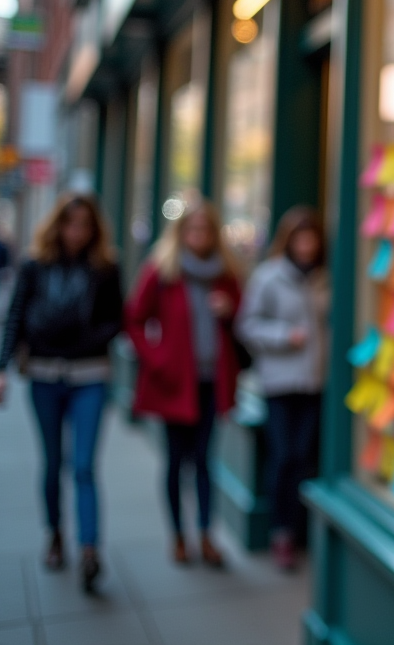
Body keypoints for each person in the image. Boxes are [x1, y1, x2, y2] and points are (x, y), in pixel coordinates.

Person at [0, 195, 123, 593]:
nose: (76, 232)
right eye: (70, 223)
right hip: (45, 376)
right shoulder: (34, 266)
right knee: (52, 462)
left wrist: (87, 339)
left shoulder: (106, 268)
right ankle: (54, 534)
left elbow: (118, 318)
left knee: (83, 466)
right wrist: (0, 370)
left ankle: (89, 551)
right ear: (58, 225)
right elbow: (14, 316)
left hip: (90, 375)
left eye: (84, 224)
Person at [126, 202, 241, 568]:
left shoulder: (226, 275)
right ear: (181, 234)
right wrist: (156, 357)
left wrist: (230, 311)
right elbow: (134, 319)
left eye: (206, 230)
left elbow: (244, 321)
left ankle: (207, 534)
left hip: (212, 382)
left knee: (205, 461)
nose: (199, 237)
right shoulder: (162, 271)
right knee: (176, 462)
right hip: (174, 384)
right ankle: (178, 536)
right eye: (192, 230)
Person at [236, 207, 328, 571]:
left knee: (306, 458)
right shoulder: (268, 277)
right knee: (284, 456)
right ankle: (281, 532)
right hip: (279, 382)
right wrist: (283, 336)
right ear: (287, 241)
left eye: (312, 238)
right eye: (300, 238)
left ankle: (304, 532)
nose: (306, 246)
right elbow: (247, 326)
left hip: (316, 382)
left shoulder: (326, 279)